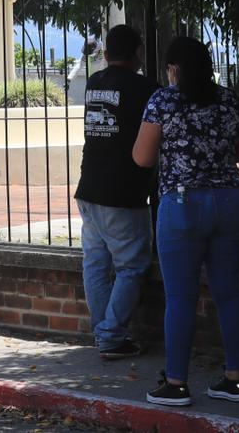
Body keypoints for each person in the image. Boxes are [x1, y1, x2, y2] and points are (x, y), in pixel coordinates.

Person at [132, 36, 239, 406]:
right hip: (231, 200)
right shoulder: (231, 99)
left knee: (181, 297)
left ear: (173, 68)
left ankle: (176, 383)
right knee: (229, 292)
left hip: (183, 203)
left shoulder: (164, 100)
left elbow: (142, 157)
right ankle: (235, 380)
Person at [74, 24, 160, 361]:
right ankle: (111, 335)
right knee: (131, 266)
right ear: (139, 52)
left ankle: (102, 330)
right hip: (124, 190)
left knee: (95, 263)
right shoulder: (147, 89)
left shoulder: (95, 84)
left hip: (90, 185)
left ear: (107, 54)